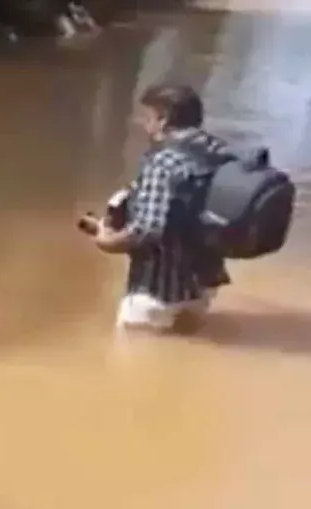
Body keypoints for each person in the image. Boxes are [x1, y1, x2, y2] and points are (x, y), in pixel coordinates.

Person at [88, 83, 232, 332]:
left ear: (163, 119)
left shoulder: (163, 163)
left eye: (148, 117)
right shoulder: (218, 153)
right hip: (203, 285)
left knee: (130, 360)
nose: (146, 125)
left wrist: (106, 240)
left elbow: (147, 231)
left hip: (156, 292)